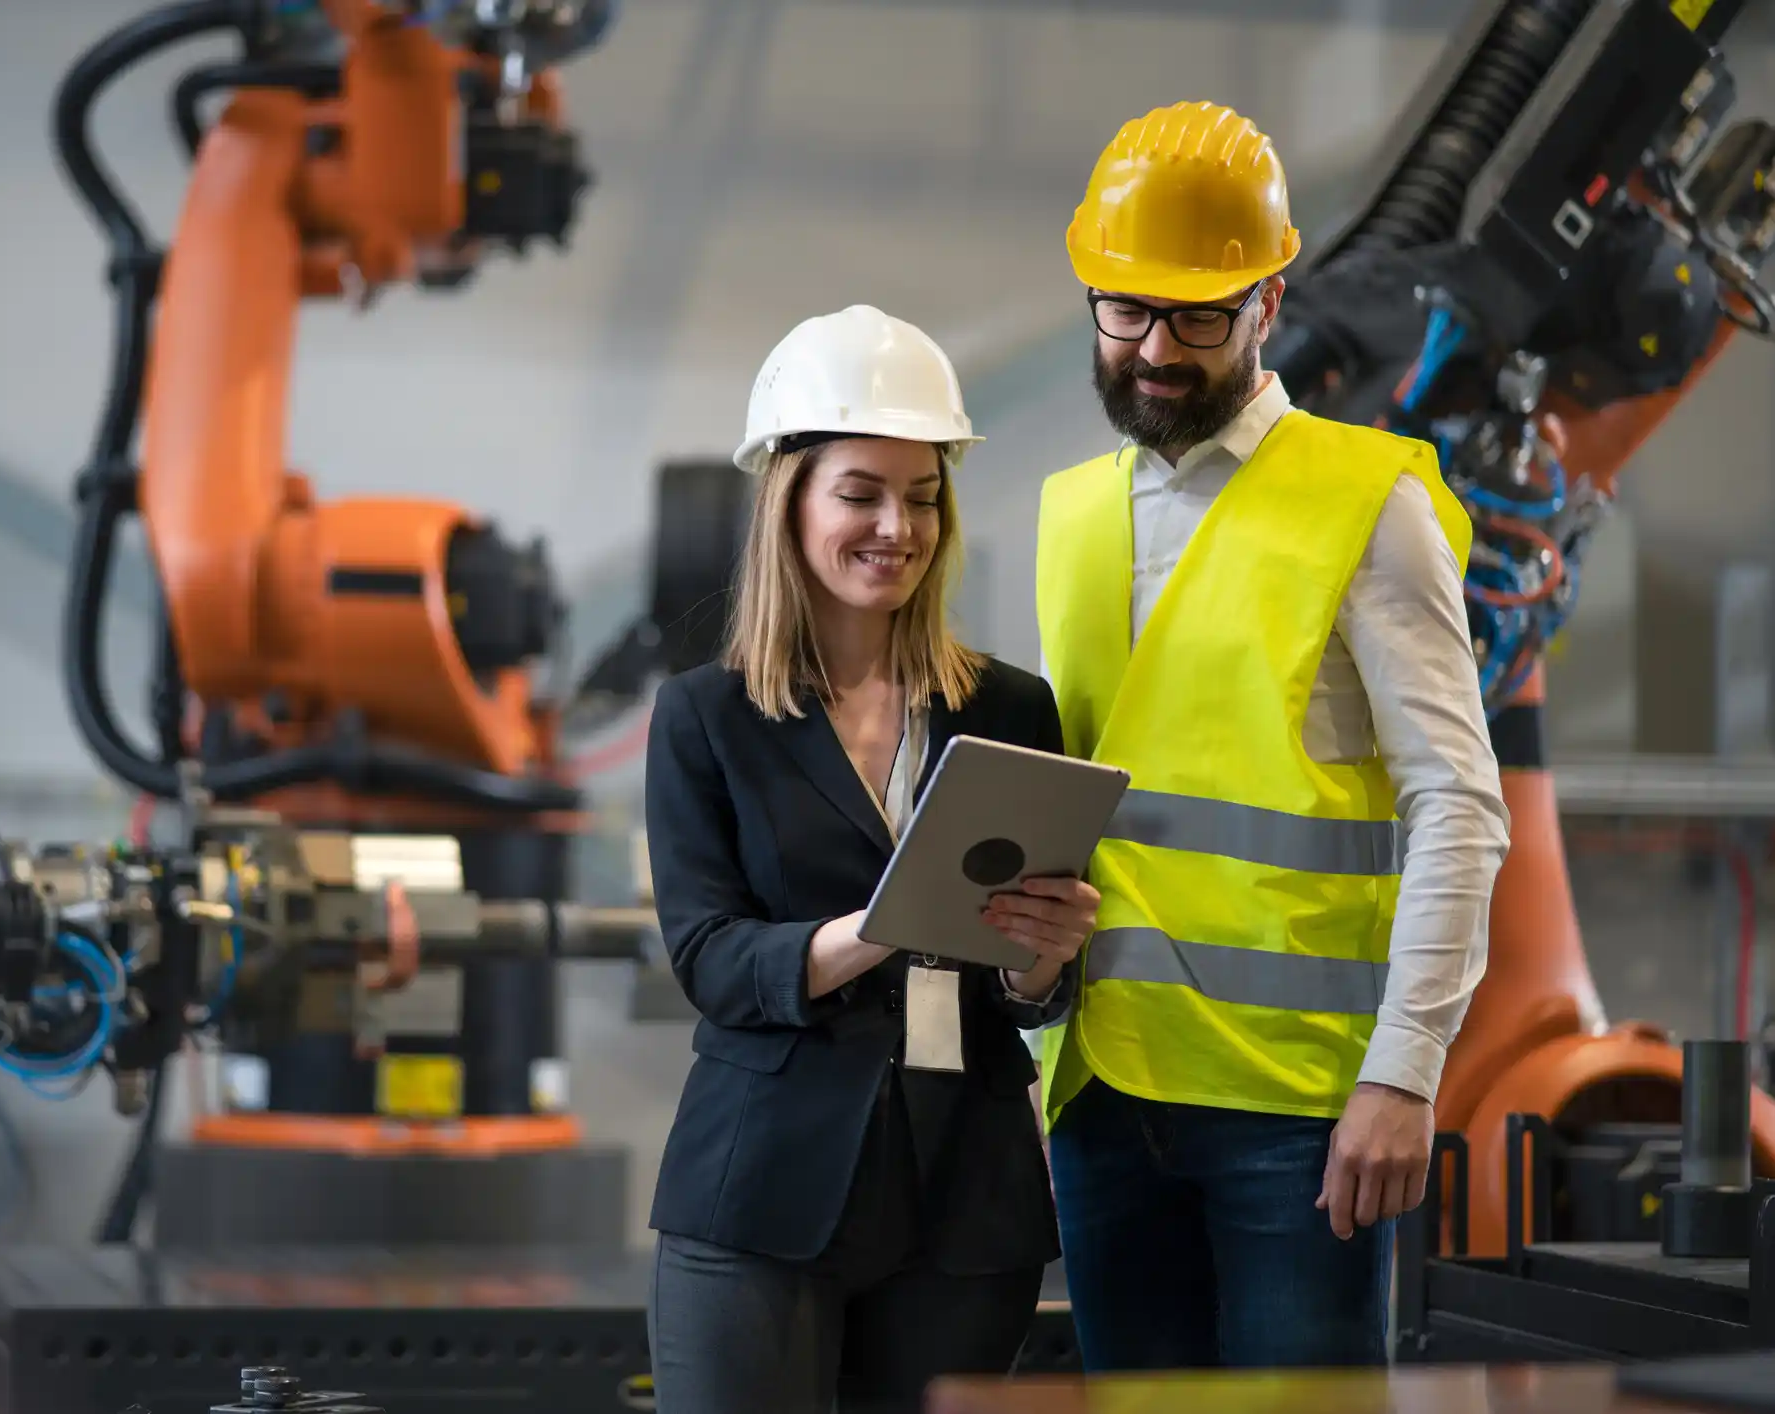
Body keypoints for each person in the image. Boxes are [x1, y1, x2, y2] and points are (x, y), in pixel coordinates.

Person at [1031, 101, 1512, 1372]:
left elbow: (1457, 805)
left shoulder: (1368, 502)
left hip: (1299, 1119)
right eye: (1124, 308)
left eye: (1196, 314)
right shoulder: (1073, 518)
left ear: (1269, 300)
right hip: (1100, 1096)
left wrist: (1404, 1073)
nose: (1153, 349)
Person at [641, 304, 1100, 1413]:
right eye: (860, 492)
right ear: (789, 499)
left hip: (963, 1199)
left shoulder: (1006, 707)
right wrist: (881, 924)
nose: (895, 525)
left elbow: (1034, 995)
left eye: (922, 496)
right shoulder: (706, 717)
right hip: (760, 1194)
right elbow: (710, 959)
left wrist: (1042, 958)